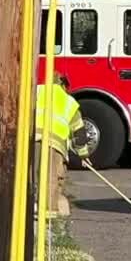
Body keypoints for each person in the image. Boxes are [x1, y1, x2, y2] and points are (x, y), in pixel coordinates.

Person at [33, 73, 90, 216]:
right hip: (54, 143)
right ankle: (48, 211)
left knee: (32, 175)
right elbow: (79, 132)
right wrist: (83, 155)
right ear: (63, 85)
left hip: (32, 139)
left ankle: (29, 208)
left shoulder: (37, 91)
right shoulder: (69, 101)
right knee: (51, 176)